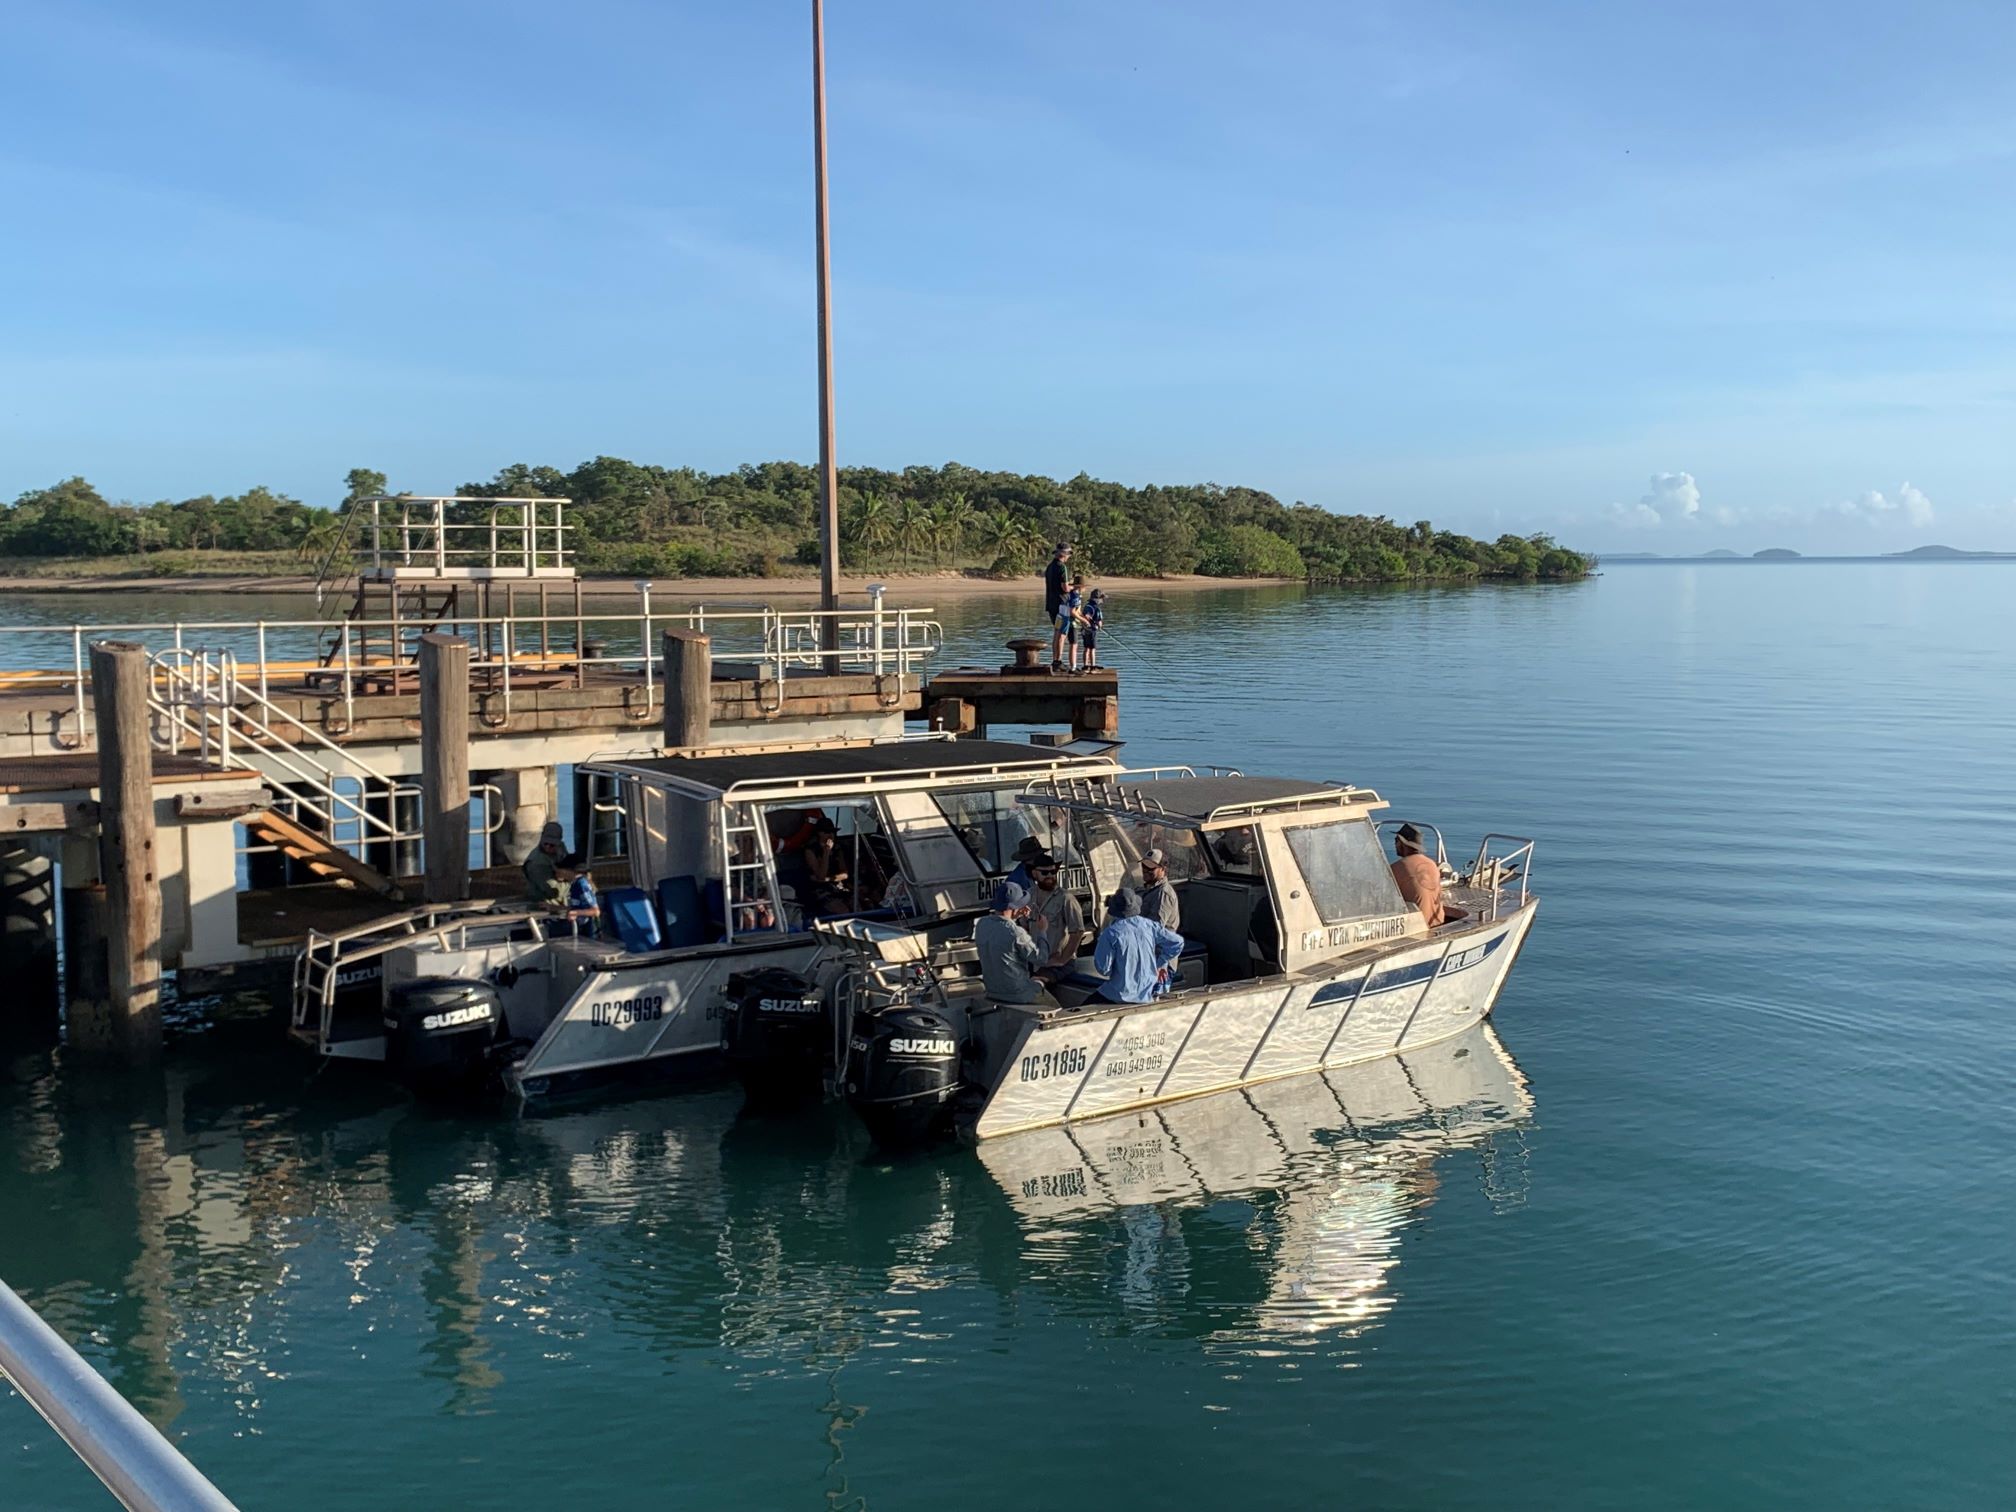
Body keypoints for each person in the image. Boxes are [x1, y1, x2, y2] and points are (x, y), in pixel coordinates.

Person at [1091, 888, 1185, 1005]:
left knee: (1082, 1010)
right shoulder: (1149, 925)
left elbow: (1104, 969)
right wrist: (1160, 963)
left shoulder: (1110, 933)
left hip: (1117, 996)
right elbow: (1177, 942)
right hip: (1146, 995)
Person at [975, 881, 1057, 1006]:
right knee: (1055, 1006)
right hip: (1018, 994)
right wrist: (1042, 931)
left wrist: (1017, 917)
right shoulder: (1016, 932)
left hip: (992, 992)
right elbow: (1041, 959)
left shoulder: (982, 924)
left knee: (1034, 981)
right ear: (1014, 907)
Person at [1391, 823, 1466, 927]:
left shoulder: (1397, 868)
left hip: (1417, 927)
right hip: (1438, 921)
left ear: (1403, 843)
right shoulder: (1432, 864)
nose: (1395, 844)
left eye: (1396, 840)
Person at [1025, 853, 1085, 979]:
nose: (1050, 876)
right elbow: (1024, 927)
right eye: (1045, 873)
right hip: (1035, 961)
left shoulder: (1066, 898)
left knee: (1037, 985)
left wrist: (1063, 959)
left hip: (1057, 964)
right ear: (1034, 873)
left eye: (1053, 872)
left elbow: (1078, 932)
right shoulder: (1028, 896)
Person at [522, 820, 570, 907]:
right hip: (543, 905)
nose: (548, 846)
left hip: (562, 902)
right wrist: (571, 878)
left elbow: (569, 863)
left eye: (552, 844)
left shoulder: (561, 848)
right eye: (545, 843)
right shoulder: (536, 863)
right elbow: (553, 891)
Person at [1044, 542, 1073, 670]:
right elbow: (1065, 588)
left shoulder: (1049, 567)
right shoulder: (1062, 567)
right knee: (1062, 634)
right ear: (1064, 554)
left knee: (1056, 632)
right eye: (1068, 554)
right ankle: (1058, 661)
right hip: (1062, 605)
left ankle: (1055, 660)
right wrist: (1075, 587)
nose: (1068, 557)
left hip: (1051, 605)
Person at [1138, 848, 1181, 932]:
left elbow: (1154, 928)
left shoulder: (1163, 894)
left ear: (1163, 869)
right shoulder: (1144, 889)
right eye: (1144, 865)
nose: (1145, 870)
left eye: (1150, 867)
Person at [1080, 588, 1105, 669]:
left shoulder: (1087, 606)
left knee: (1086, 648)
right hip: (1092, 631)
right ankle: (1093, 666)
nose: (1102, 600)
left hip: (1084, 630)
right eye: (1101, 598)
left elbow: (1083, 616)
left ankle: (1085, 666)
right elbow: (1099, 622)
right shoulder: (1097, 609)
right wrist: (1099, 626)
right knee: (1092, 649)